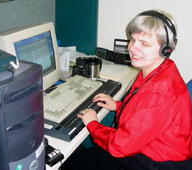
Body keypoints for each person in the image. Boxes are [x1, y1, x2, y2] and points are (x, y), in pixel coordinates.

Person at [62, 9, 192, 170]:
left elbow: (120, 147)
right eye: (133, 40)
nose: (133, 48)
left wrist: (93, 124)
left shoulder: (159, 91)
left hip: (153, 162)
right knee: (77, 157)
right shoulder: (159, 69)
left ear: (166, 50)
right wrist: (118, 106)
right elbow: (148, 116)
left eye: (144, 44)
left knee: (70, 160)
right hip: (143, 147)